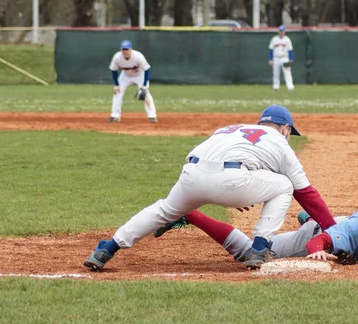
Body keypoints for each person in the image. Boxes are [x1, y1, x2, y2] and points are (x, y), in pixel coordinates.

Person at [84, 105, 336, 271]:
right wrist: (334, 230)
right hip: (233, 179)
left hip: (192, 173)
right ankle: (259, 248)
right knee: (285, 186)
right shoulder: (280, 143)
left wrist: (240, 188)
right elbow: (306, 194)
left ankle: (107, 248)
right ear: (286, 129)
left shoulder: (230, 129)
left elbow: (228, 161)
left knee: (163, 210)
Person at [154, 183, 358, 266]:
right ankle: (189, 213)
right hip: (321, 235)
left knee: (331, 233)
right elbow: (319, 243)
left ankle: (308, 220)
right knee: (250, 252)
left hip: (336, 228)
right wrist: (318, 251)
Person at [108, 40, 157, 123]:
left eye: (127, 49)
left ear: (131, 49)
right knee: (117, 92)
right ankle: (115, 116)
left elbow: (147, 69)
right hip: (125, 76)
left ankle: (152, 115)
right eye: (123, 49)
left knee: (146, 94)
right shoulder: (117, 57)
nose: (125, 51)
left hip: (139, 75)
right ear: (121, 50)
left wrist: (144, 86)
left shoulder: (138, 56)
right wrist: (116, 84)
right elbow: (113, 70)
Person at [268, 25, 295, 91]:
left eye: (282, 31)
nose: (281, 32)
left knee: (287, 72)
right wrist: (270, 59)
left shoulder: (287, 39)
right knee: (276, 73)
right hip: (276, 58)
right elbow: (271, 50)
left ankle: (290, 87)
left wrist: (291, 59)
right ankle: (276, 87)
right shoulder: (274, 39)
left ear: (284, 31)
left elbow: (290, 50)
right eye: (280, 31)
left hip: (284, 57)